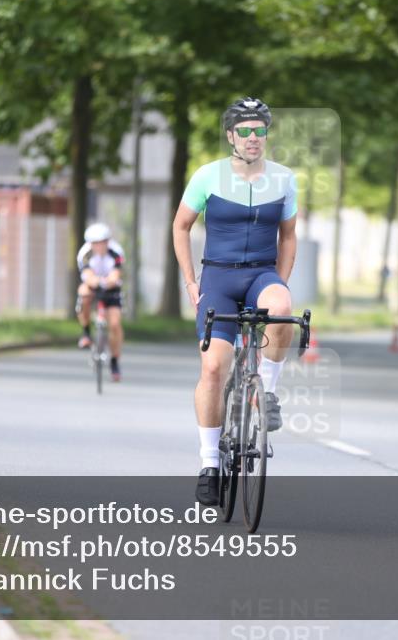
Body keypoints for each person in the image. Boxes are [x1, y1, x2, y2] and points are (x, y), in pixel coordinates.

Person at [171, 97, 298, 506]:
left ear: (266, 135)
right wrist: (191, 282)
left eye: (259, 130)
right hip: (219, 276)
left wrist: (280, 279)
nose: (252, 137)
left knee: (282, 308)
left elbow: (289, 236)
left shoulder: (283, 179)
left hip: (261, 272)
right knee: (212, 368)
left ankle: (269, 393)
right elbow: (181, 226)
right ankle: (210, 464)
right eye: (243, 130)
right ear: (230, 136)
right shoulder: (207, 176)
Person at [76, 222, 125, 382]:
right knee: (83, 294)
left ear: (108, 241)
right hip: (93, 284)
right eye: (96, 243)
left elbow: (116, 275)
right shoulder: (84, 254)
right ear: (90, 243)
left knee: (115, 324)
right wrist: (97, 281)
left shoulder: (116, 252)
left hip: (112, 288)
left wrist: (109, 281)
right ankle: (86, 332)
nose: (100, 246)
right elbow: (88, 276)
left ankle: (115, 361)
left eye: (103, 242)